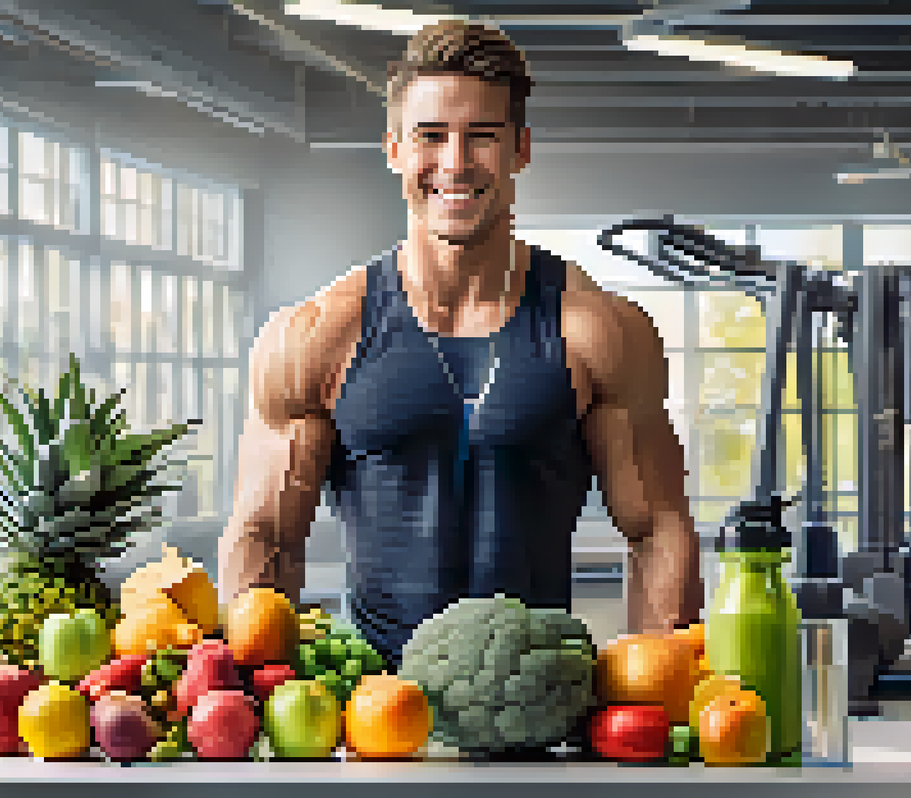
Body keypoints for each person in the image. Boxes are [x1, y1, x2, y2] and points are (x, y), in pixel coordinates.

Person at [216, 20, 704, 665]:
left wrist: (649, 701)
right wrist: (255, 709)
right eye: (430, 137)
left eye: (482, 137)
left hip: (539, 715)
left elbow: (659, 530)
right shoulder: (317, 336)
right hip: (375, 715)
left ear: (520, 149)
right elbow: (266, 536)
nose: (454, 162)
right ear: (393, 149)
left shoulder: (596, 331)